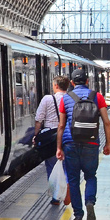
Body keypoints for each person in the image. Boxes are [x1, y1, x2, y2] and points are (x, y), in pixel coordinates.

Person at [56, 67, 110, 220]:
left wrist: (59, 147)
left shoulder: (65, 98)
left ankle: (78, 215)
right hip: (91, 143)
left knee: (73, 180)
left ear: (72, 83)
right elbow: (106, 122)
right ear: (87, 81)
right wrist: (107, 144)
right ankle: (90, 202)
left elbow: (61, 125)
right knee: (90, 176)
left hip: (70, 143)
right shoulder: (97, 96)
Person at [32, 75, 69, 204]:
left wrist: (36, 135)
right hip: (67, 136)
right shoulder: (71, 98)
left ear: (56, 85)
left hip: (50, 138)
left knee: (51, 166)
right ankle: (67, 192)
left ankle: (56, 196)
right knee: (67, 166)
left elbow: (39, 119)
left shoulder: (48, 99)